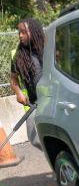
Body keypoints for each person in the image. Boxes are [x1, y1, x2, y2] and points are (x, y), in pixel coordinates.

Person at [9, 18, 44, 148]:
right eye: (19, 32)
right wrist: (18, 93)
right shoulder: (18, 56)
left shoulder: (48, 50)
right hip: (34, 104)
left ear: (34, 32)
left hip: (54, 101)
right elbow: (13, 79)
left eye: (23, 32)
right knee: (34, 138)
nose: (20, 35)